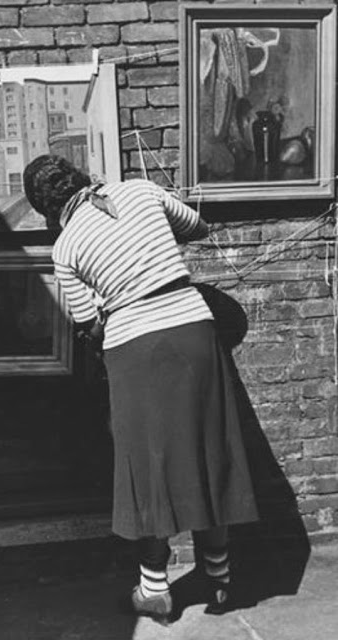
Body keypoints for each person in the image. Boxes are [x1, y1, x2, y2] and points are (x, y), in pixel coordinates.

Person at [23, 155, 259, 621]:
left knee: (148, 465)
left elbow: (89, 324)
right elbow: (197, 227)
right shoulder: (140, 190)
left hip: (134, 349)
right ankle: (219, 578)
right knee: (208, 449)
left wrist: (112, 298)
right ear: (80, 175)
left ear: (47, 210)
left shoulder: (65, 248)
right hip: (193, 330)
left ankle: (155, 589)